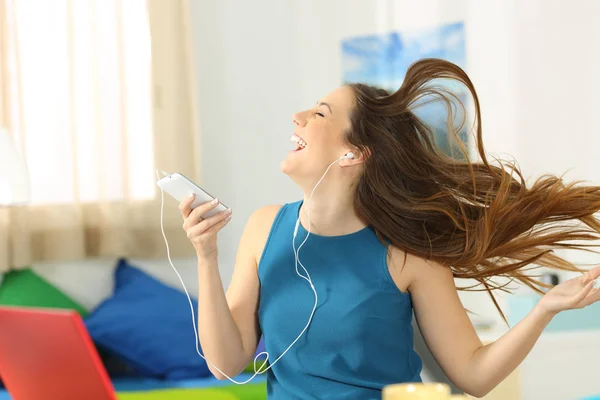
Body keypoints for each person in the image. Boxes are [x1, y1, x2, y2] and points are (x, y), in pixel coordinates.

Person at [178, 58, 600, 399]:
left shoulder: (408, 252)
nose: (298, 116)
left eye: (320, 113)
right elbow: (225, 363)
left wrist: (545, 309)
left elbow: (474, 375)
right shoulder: (264, 227)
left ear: (352, 154)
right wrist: (206, 256)